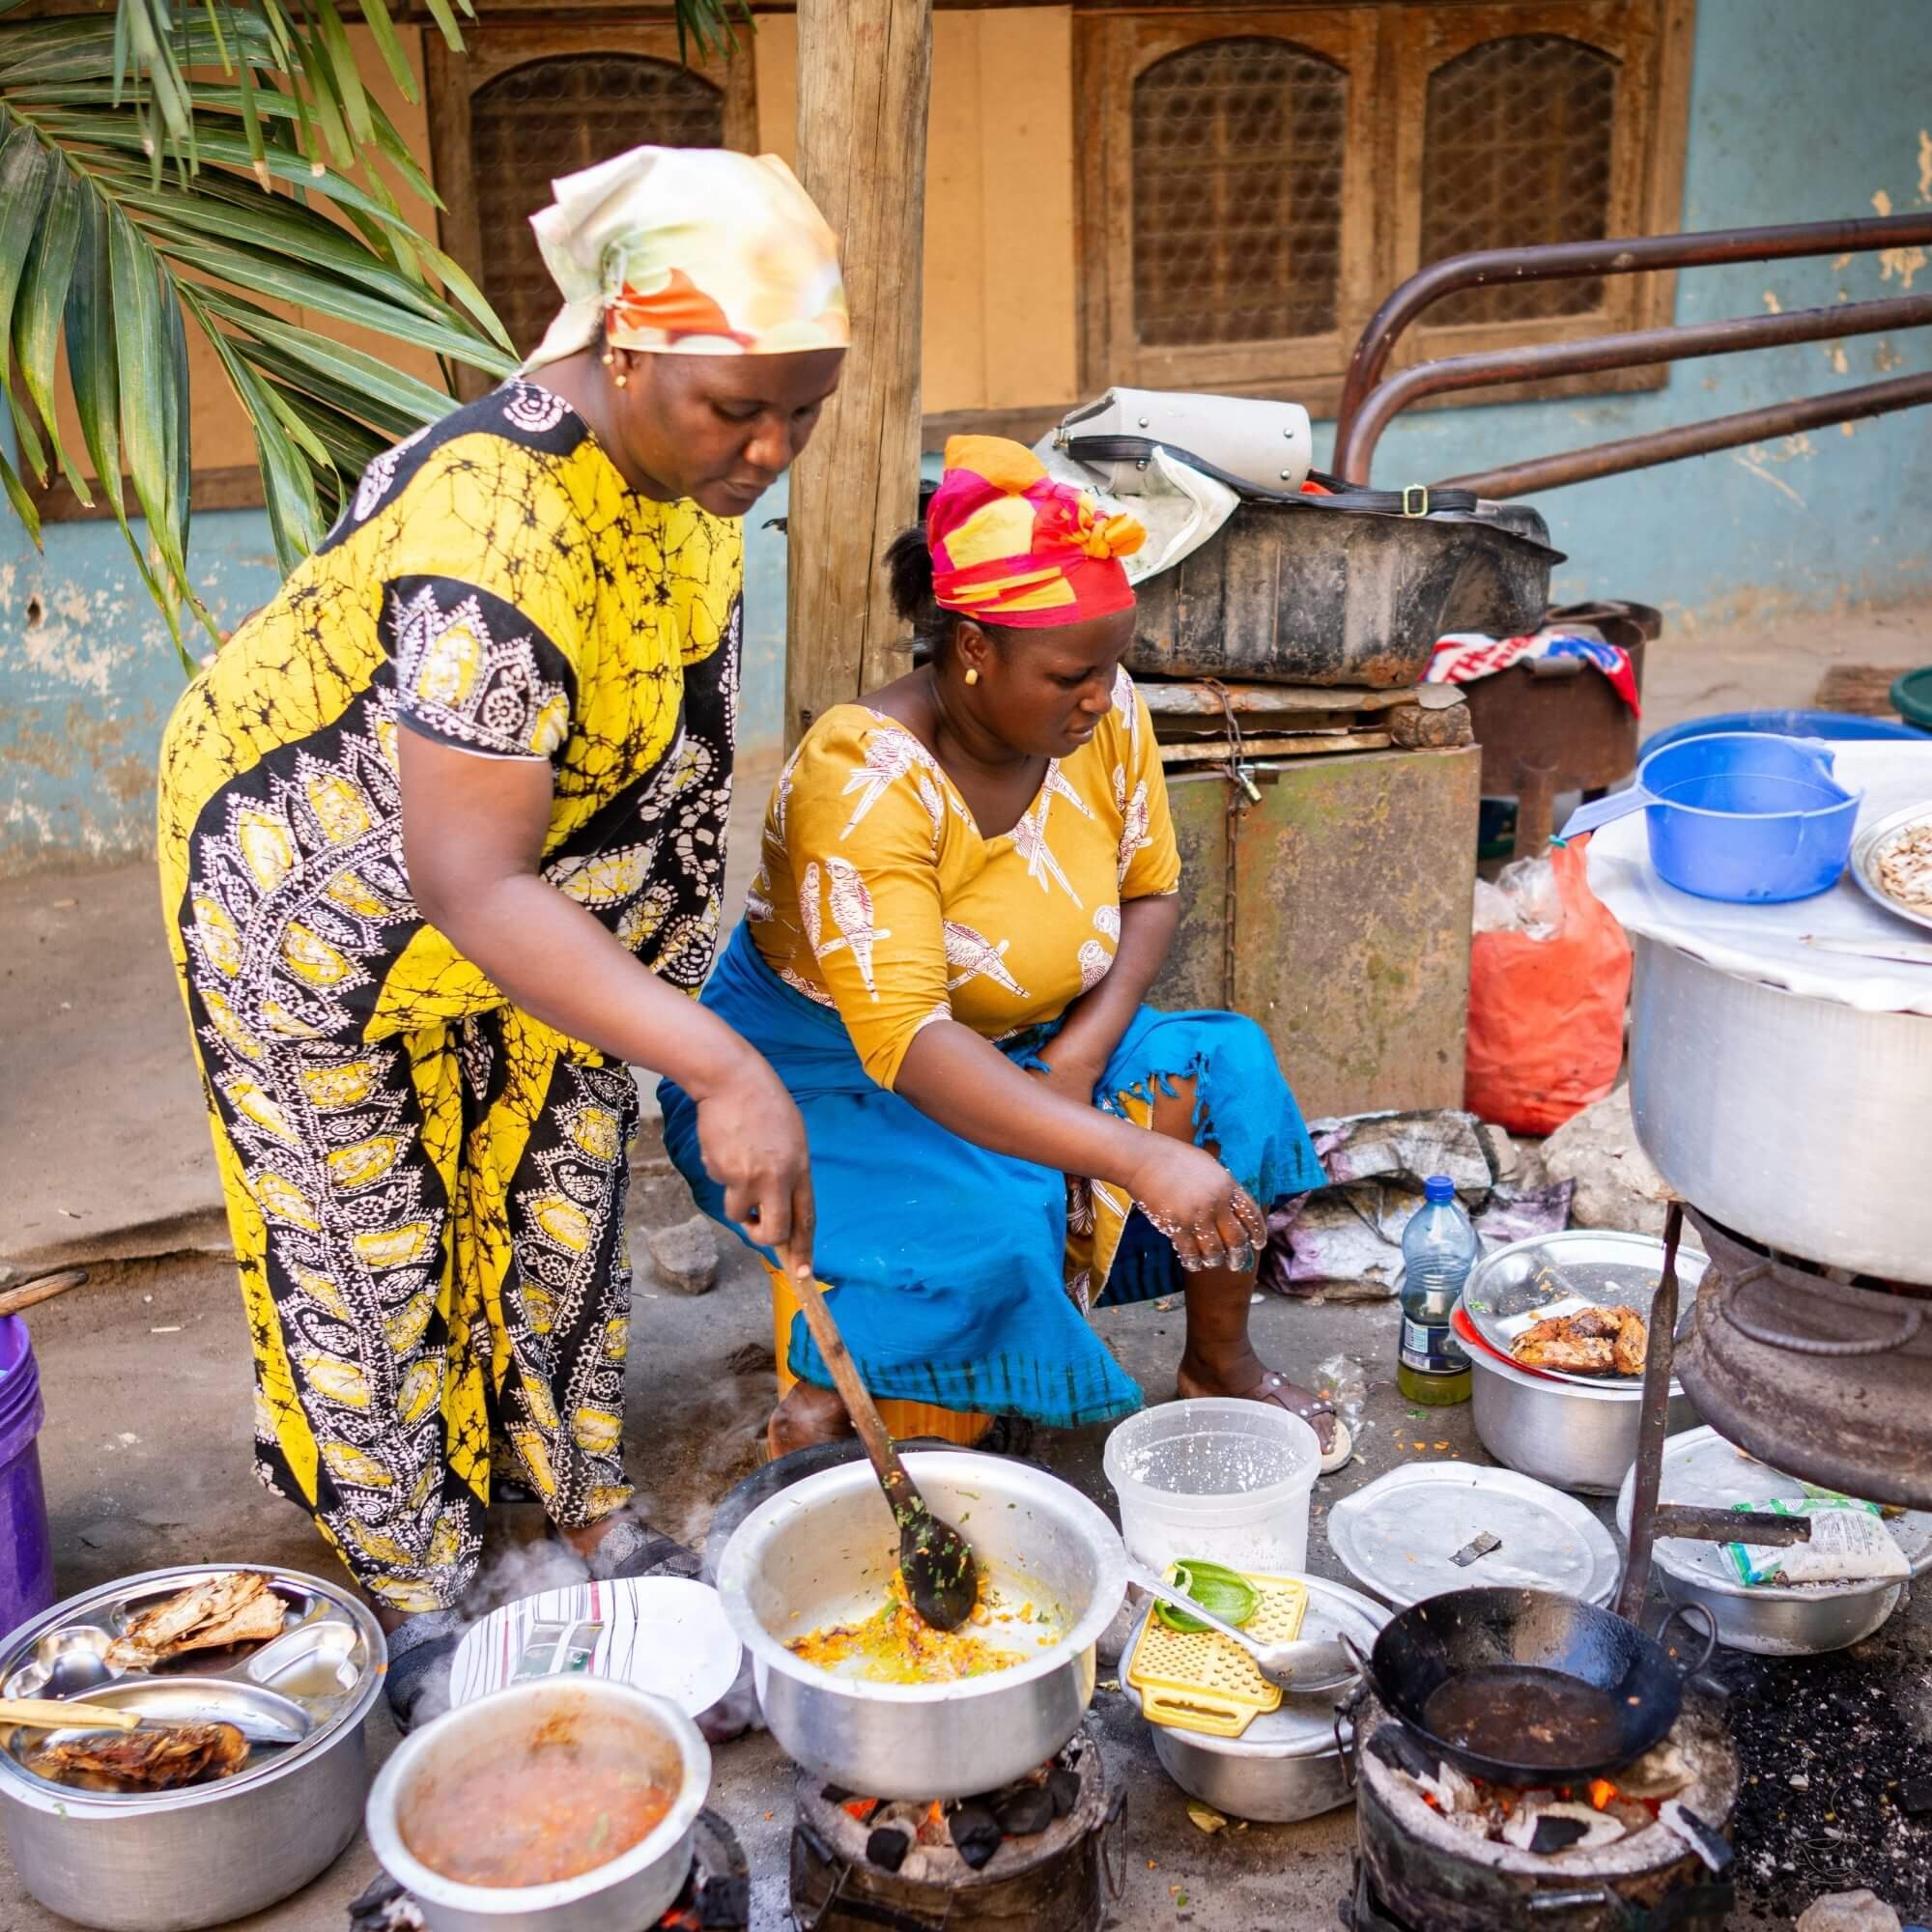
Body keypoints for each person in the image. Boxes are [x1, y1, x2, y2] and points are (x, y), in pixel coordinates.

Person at [156, 145, 843, 1725]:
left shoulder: (682, 485)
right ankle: (427, 1589)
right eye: (737, 407)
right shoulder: (494, 524)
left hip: (556, 903)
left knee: (565, 1194)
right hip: (318, 910)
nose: (767, 449)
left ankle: (574, 1501)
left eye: (798, 412)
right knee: (370, 1238)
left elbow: (662, 740)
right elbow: (468, 880)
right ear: (621, 346)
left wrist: (658, 998)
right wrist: (718, 1058)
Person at [661, 437, 1350, 1469]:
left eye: (1110, 668)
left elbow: (1149, 889)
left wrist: (1073, 1062)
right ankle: (852, 1376)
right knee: (988, 1238)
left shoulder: (1098, 715)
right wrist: (1131, 1152)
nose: (1101, 698)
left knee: (1228, 1071)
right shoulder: (862, 777)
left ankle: (1221, 1362)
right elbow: (909, 1042)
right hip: (834, 1068)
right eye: (1072, 674)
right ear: (972, 648)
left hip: (1032, 1036)